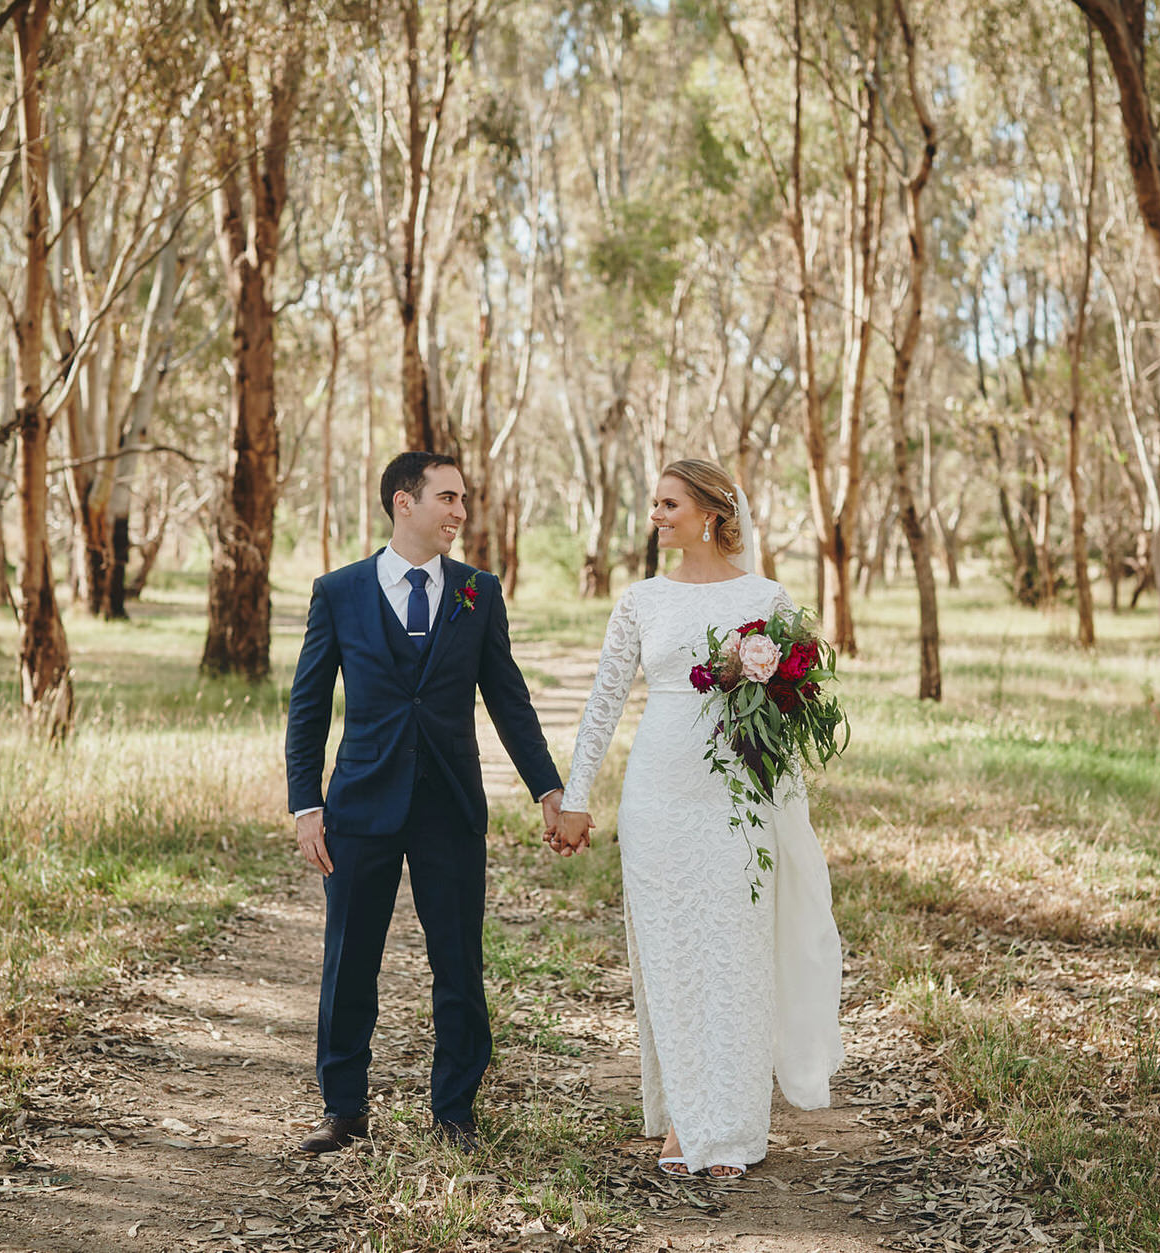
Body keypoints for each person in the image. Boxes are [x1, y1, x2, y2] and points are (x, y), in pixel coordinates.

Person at [553, 458, 844, 1178]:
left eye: (669, 503)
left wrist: (784, 800)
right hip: (657, 795)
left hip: (739, 799)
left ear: (711, 512)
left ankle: (736, 1126)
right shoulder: (641, 600)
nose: (656, 515)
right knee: (673, 954)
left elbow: (790, 708)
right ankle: (686, 1115)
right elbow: (603, 703)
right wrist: (577, 793)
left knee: (736, 956)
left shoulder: (767, 596)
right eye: (654, 503)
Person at [285, 451, 564, 1155]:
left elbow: (508, 697)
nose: (459, 511)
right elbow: (309, 707)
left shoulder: (478, 591)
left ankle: (455, 1112)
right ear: (402, 503)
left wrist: (549, 787)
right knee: (349, 960)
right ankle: (343, 1108)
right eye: (447, 497)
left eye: (462, 498)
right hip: (360, 806)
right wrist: (304, 804)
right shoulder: (339, 591)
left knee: (459, 963)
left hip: (450, 807)